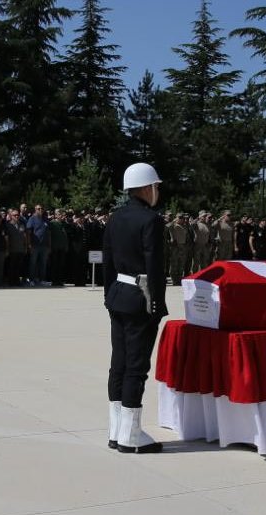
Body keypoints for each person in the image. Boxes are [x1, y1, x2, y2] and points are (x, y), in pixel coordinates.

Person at [103, 162, 168, 454]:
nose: (157, 192)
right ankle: (130, 435)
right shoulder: (151, 220)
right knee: (136, 366)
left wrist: (109, 295)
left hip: (117, 294)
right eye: (155, 186)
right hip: (140, 296)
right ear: (145, 187)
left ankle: (116, 431)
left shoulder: (115, 217)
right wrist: (156, 303)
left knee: (119, 363)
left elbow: (107, 261)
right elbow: (155, 266)